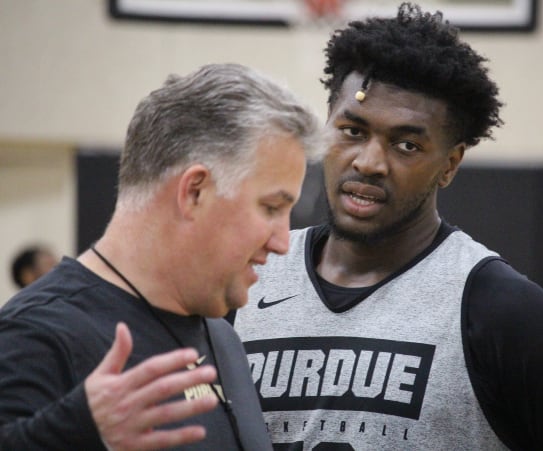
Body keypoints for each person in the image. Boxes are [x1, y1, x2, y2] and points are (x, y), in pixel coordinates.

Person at [232, 4, 543, 450]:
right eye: (353, 131)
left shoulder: (500, 313)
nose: (370, 162)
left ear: (450, 164)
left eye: (406, 144)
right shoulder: (246, 279)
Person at [0, 63, 323, 450]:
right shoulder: (36, 335)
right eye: (271, 208)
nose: (282, 242)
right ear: (195, 192)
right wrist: (69, 434)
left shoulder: (220, 336)